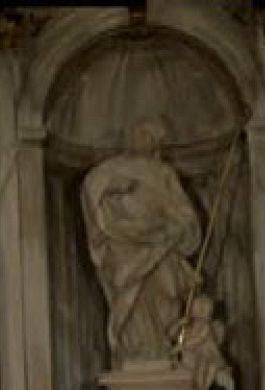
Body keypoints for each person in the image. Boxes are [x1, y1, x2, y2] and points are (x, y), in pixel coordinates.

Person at [80, 117, 202, 365]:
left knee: (166, 294)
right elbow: (92, 194)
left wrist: (175, 230)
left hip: (160, 248)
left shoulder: (164, 173)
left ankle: (161, 346)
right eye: (139, 134)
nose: (142, 140)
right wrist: (113, 188)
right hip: (124, 249)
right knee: (130, 304)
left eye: (149, 136)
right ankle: (136, 349)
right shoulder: (112, 169)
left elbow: (185, 214)